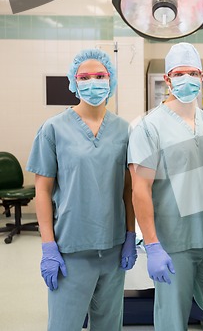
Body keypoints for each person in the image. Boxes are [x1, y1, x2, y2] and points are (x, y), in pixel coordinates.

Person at [26, 48, 137, 331]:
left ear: (110, 80)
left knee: (110, 325)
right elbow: (42, 191)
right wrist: (48, 246)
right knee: (64, 325)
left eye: (100, 75)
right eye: (84, 76)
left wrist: (129, 235)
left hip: (112, 250)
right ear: (74, 82)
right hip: (70, 250)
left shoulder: (124, 130)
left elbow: (128, 189)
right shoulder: (53, 129)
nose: (93, 82)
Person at [127, 42, 203, 331]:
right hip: (172, 244)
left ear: (202, 77)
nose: (187, 79)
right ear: (167, 80)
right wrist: (153, 246)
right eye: (180, 73)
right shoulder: (148, 127)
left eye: (193, 72)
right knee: (172, 321)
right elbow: (139, 190)